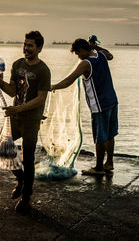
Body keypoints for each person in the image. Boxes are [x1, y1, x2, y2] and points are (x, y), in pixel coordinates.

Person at [0, 31, 51, 214]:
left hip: (31, 120)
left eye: (30, 46)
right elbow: (12, 91)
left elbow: (41, 99)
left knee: (28, 158)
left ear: (39, 48)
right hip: (15, 117)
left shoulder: (43, 70)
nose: (26, 48)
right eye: (25, 45)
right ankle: (20, 179)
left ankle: (26, 198)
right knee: (1, 147)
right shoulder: (17, 65)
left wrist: (18, 109)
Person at [51, 38, 118, 176]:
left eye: (78, 53)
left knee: (100, 137)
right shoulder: (102, 55)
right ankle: (109, 163)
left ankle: (99, 168)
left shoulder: (86, 63)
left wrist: (54, 87)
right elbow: (110, 55)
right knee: (110, 134)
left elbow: (69, 80)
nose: (78, 56)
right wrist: (95, 48)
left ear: (81, 50)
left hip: (99, 105)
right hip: (112, 100)